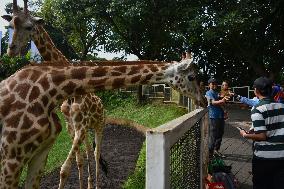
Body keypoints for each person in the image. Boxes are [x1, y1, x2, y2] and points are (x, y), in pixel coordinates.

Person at [239, 76, 284, 189]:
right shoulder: (282, 106)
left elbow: (262, 136)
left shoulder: (257, 109)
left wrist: (245, 134)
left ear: (256, 91)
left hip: (264, 159)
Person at [206, 78, 229, 159]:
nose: (214, 85)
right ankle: (210, 154)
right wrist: (222, 100)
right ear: (209, 85)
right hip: (213, 117)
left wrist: (225, 111)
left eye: (215, 84)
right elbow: (212, 102)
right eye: (212, 84)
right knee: (213, 136)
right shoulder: (208, 93)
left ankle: (216, 151)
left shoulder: (217, 93)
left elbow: (222, 102)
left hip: (220, 116)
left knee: (220, 134)